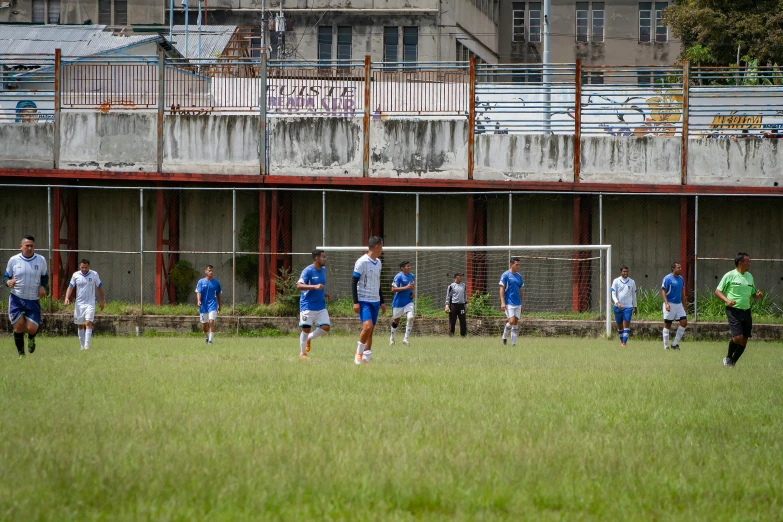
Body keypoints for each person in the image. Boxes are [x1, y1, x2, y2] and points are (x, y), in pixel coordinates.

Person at [715, 252, 763, 367]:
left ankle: (732, 363)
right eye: (748, 261)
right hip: (733, 310)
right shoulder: (730, 275)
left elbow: (752, 294)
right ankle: (728, 357)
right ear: (740, 263)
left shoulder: (749, 276)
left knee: (744, 340)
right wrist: (727, 300)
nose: (750, 263)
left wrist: (758, 295)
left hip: (746, 311)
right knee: (737, 337)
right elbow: (717, 291)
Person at [4, 235, 48, 357]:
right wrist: (8, 282)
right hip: (16, 298)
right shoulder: (14, 260)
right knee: (18, 326)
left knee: (31, 328)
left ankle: (31, 338)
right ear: (21, 247)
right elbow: (6, 276)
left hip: (33, 299)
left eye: (31, 246)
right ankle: (21, 354)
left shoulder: (41, 260)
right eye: (26, 245)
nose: (29, 248)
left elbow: (45, 276)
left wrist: (43, 286)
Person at [352, 236, 386, 365]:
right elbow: (354, 281)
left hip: (375, 301)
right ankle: (358, 354)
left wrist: (382, 301)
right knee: (367, 326)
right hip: (363, 300)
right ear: (377, 246)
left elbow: (378, 283)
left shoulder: (378, 262)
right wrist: (356, 302)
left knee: (371, 331)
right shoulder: (362, 261)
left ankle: (366, 358)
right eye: (382, 246)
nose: (382, 249)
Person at [296, 249, 331, 359]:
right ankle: (302, 353)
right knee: (306, 329)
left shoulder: (323, 270)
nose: (325, 259)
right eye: (323, 257)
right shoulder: (308, 271)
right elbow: (299, 286)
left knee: (326, 327)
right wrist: (314, 287)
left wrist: (324, 294)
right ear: (316, 258)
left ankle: (309, 338)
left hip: (320, 305)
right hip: (307, 305)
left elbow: (320, 286)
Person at [64, 259, 105, 350]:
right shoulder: (76, 275)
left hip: (90, 303)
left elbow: (100, 287)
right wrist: (66, 298)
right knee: (80, 324)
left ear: (89, 267)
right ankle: (82, 346)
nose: (84, 269)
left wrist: (102, 300)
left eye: (86, 267)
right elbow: (70, 287)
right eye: (82, 267)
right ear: (80, 267)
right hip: (79, 303)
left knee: (88, 322)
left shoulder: (94, 274)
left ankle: (87, 346)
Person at [661, 261, 688, 350]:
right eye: (678, 268)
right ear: (673, 269)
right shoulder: (667, 278)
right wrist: (666, 304)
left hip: (679, 304)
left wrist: (684, 303)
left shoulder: (681, 279)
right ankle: (666, 346)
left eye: (680, 267)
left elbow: (682, 292)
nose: (680, 269)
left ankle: (675, 344)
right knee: (668, 325)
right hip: (670, 304)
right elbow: (663, 291)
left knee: (684, 322)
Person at [499, 257, 524, 346]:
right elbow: (501, 288)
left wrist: (521, 303)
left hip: (518, 303)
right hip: (509, 302)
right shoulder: (506, 275)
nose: (518, 266)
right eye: (516, 264)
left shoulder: (519, 276)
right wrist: (502, 302)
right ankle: (504, 337)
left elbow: (521, 290)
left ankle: (513, 343)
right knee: (512, 321)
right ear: (511, 264)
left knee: (516, 322)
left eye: (519, 265)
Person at [611, 265, 637, 347]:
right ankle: (622, 341)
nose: (626, 273)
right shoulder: (616, 281)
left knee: (626, 323)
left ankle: (624, 343)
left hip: (628, 307)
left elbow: (634, 295)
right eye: (624, 271)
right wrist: (617, 302)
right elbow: (613, 294)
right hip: (618, 307)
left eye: (627, 271)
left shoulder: (632, 282)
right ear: (621, 272)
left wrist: (635, 306)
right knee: (619, 325)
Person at [390, 260, 415, 346]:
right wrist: (406, 287)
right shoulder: (398, 277)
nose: (409, 267)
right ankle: (392, 338)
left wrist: (412, 293)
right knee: (396, 321)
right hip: (398, 302)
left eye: (409, 266)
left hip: (408, 301)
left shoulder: (412, 276)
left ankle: (406, 339)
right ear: (402, 268)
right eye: (407, 266)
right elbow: (393, 289)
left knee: (410, 317)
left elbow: (412, 286)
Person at [196, 265, 222, 345]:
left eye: (212, 271)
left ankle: (210, 342)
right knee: (204, 326)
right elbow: (198, 292)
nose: (211, 272)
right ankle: (207, 338)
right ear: (205, 271)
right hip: (203, 306)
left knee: (211, 322)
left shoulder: (216, 283)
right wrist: (198, 300)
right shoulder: (201, 282)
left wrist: (219, 305)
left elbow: (218, 295)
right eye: (209, 270)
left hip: (212, 305)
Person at [445, 272, 468, 337]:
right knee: (452, 321)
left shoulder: (463, 285)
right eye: (460, 276)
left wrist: (466, 303)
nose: (461, 277)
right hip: (453, 305)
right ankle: (451, 334)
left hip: (461, 306)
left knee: (463, 321)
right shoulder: (451, 286)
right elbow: (448, 296)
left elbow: (464, 295)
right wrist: (447, 305)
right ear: (456, 277)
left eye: (461, 276)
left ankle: (463, 335)